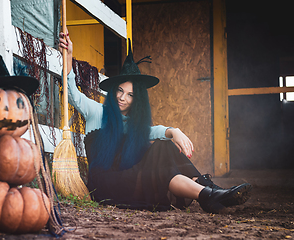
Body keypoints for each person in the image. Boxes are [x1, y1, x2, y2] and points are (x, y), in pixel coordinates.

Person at [58, 32, 252, 213]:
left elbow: (153, 131)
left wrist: (174, 131)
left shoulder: (134, 124)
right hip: (105, 184)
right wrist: (69, 56)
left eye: (130, 94)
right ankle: (210, 192)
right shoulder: (96, 111)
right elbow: (72, 93)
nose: (122, 98)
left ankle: (208, 194)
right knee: (161, 149)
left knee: (164, 146)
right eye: (120, 91)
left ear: (137, 100)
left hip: (130, 178)